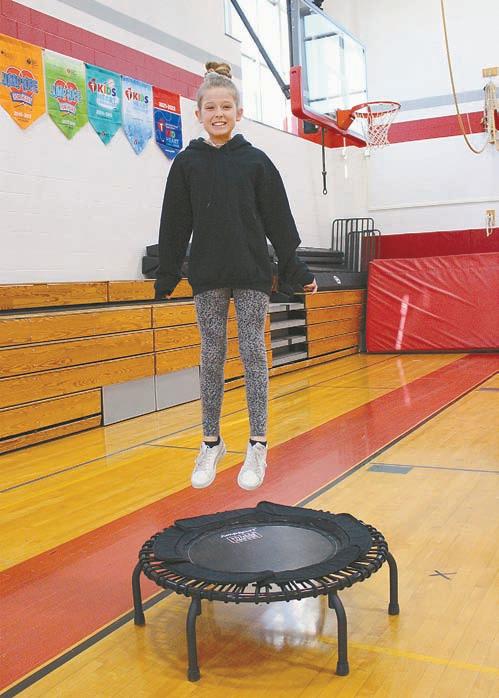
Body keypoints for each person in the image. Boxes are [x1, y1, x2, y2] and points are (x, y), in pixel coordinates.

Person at [155, 61, 317, 490]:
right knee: (211, 355)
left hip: (251, 272)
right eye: (210, 107)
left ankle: (257, 443)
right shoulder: (186, 164)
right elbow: (174, 223)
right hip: (208, 274)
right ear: (198, 113)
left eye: (226, 106)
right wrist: (167, 274)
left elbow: (279, 221)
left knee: (251, 351)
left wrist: (295, 269)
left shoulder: (256, 162)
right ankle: (211, 442)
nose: (218, 114)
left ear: (239, 112)